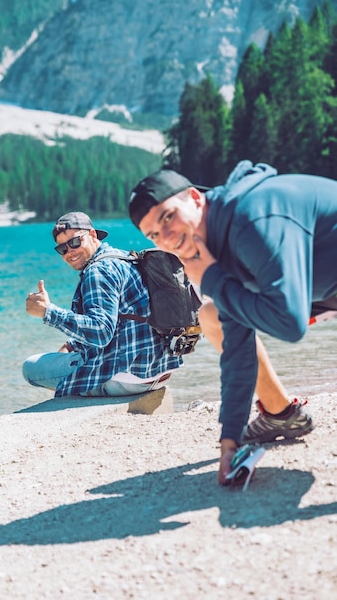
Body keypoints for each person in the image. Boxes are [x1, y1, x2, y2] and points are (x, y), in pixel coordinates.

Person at [127, 162, 337, 484]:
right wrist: (230, 443)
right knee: (214, 315)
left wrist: (212, 279)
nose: (166, 238)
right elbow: (237, 348)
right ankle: (279, 415)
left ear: (195, 198)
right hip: (326, 288)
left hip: (320, 290)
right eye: (154, 234)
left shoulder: (251, 219)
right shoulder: (213, 246)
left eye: (168, 217)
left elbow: (289, 323)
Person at [23, 211, 182, 398]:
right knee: (67, 354)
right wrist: (73, 344)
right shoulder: (124, 258)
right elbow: (122, 320)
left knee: (31, 368)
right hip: (158, 372)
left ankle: (78, 393)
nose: (70, 252)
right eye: (62, 249)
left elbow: (101, 332)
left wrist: (48, 312)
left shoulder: (98, 271)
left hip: (127, 379)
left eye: (74, 242)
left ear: (92, 235)